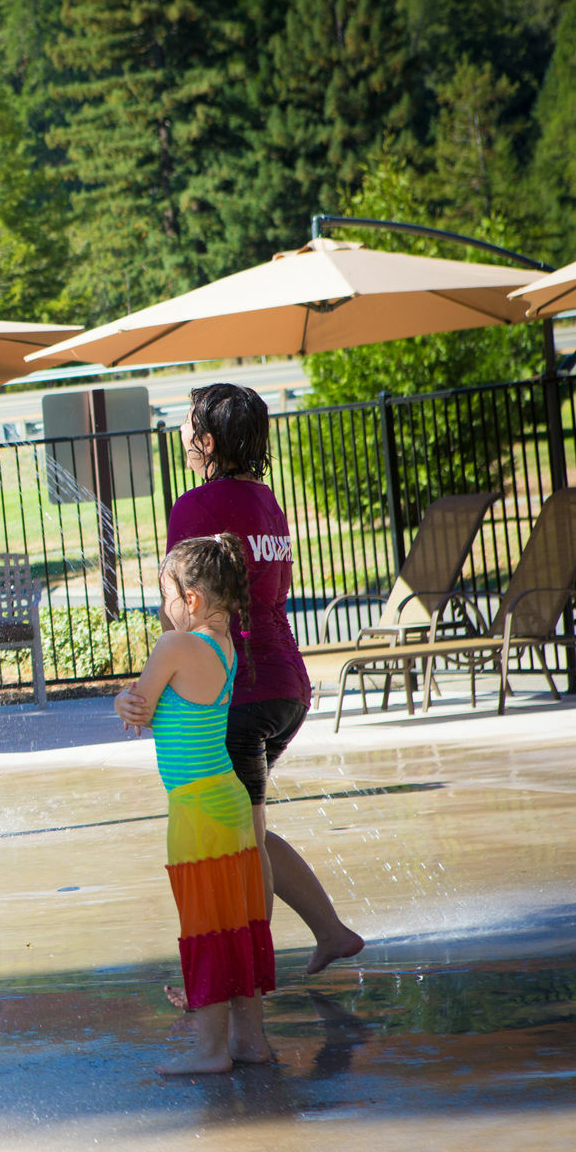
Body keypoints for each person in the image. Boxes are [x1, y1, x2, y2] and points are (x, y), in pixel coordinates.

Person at [117, 384, 364, 975]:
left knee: (240, 841)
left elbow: (186, 602)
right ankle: (330, 932)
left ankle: (247, 980)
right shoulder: (266, 499)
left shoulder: (194, 506)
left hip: (242, 692)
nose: (179, 434)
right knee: (245, 823)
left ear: (204, 441)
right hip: (286, 684)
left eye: (185, 424)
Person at [119, 535, 274, 1074]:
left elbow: (138, 707)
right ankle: (249, 1041)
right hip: (229, 799)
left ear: (192, 601)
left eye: (165, 596)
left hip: (195, 807)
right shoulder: (224, 646)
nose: (161, 609)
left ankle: (211, 1052)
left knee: (205, 927)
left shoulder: (175, 647)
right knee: (239, 923)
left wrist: (122, 700)